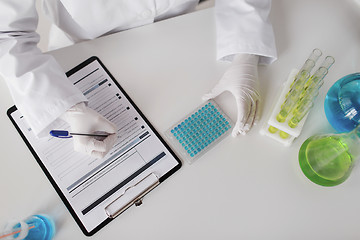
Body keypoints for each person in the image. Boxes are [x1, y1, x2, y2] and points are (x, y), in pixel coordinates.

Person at [0, 0, 277, 158]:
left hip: (185, 32)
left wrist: (245, 50)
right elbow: (8, 35)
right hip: (88, 48)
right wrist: (66, 107)